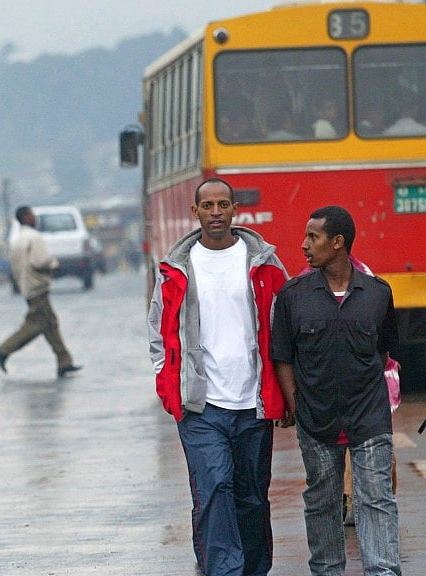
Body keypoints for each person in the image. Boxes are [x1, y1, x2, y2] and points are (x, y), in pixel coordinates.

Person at [147, 177, 288, 576]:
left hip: (253, 404)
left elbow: (285, 326)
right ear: (195, 212)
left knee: (251, 497)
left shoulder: (264, 263)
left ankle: (253, 568)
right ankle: (225, 570)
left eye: (222, 205)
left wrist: (285, 392)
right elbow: (158, 331)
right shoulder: (177, 268)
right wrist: (168, 386)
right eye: (207, 206)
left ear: (234, 210)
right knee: (214, 488)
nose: (215, 213)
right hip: (200, 407)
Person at [271, 205, 401, 576]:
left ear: (338, 243)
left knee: (376, 499)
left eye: (313, 237)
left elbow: (382, 353)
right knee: (322, 504)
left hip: (369, 418)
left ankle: (383, 571)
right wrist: (298, 406)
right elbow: (283, 357)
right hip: (317, 421)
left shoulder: (377, 294)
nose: (304, 245)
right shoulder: (293, 296)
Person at [0, 206, 81, 378]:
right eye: (32, 215)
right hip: (37, 287)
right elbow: (40, 261)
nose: (35, 218)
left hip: (27, 287)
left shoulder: (18, 239)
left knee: (50, 324)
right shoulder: (34, 237)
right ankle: (4, 349)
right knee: (37, 324)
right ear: (26, 217)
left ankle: (64, 361)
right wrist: (54, 264)